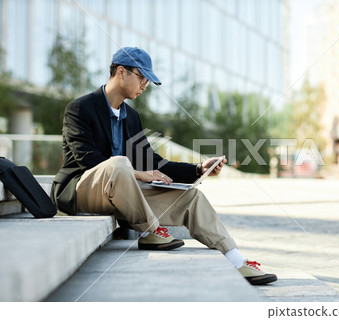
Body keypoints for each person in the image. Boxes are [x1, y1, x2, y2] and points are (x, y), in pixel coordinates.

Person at [51, 47, 277, 286]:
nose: (145, 85)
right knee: (119, 163)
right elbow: (88, 160)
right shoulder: (80, 108)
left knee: (193, 198)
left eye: (147, 80)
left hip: (123, 196)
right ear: (120, 72)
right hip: (82, 190)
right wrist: (138, 174)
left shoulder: (131, 118)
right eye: (142, 77)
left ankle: (237, 261)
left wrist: (199, 169)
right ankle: (149, 232)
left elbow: (153, 163)